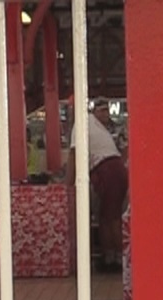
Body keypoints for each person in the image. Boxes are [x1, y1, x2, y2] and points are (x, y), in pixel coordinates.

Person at [71, 99, 128, 272]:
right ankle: (115, 257)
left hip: (106, 171)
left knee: (108, 219)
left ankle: (114, 259)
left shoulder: (82, 124)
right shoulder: (96, 127)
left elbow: (74, 154)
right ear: (94, 112)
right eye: (102, 110)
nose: (105, 114)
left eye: (106, 110)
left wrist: (66, 185)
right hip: (116, 169)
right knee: (110, 216)